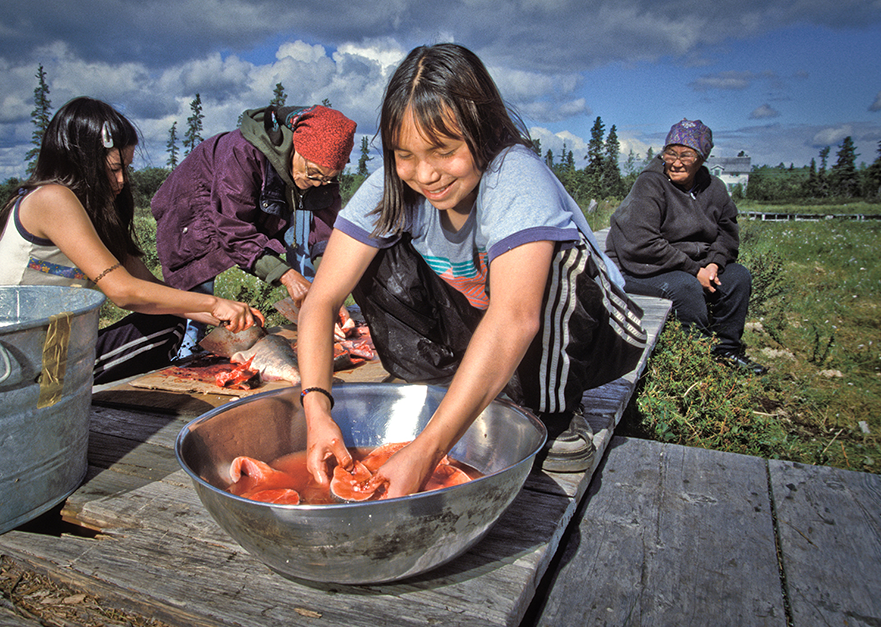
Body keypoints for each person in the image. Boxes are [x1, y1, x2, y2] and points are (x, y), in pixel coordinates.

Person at [296, 43, 647, 498]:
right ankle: (443, 385)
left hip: (592, 335)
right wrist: (317, 412)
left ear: (481, 132)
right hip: (482, 319)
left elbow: (515, 318)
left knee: (563, 261)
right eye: (405, 155)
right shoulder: (391, 185)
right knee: (367, 253)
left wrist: (425, 452)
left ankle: (551, 411)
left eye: (443, 151)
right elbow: (322, 300)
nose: (425, 174)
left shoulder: (513, 175)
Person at [0, 97, 263, 385]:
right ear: (81, 162)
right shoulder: (51, 198)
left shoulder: (92, 213)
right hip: (18, 362)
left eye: (126, 169)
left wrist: (219, 315)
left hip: (52, 345)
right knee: (166, 326)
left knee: (167, 317)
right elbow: (123, 292)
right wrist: (214, 302)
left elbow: (150, 290)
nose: (122, 180)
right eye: (113, 168)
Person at [151, 103, 357, 358]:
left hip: (243, 208)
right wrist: (287, 275)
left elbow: (323, 235)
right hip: (193, 208)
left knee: (314, 277)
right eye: (313, 173)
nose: (317, 183)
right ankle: (185, 348)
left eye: (326, 179)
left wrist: (327, 293)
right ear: (296, 148)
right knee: (197, 279)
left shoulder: (322, 174)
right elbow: (234, 230)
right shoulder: (242, 153)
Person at [605, 118, 766, 375]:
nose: (676, 162)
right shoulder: (650, 184)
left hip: (688, 263)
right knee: (685, 287)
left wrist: (714, 263)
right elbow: (641, 243)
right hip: (637, 266)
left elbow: (727, 234)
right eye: (670, 153)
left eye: (685, 155)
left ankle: (726, 351)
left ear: (702, 157)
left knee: (738, 277)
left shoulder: (715, 189)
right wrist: (694, 270)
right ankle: (695, 360)